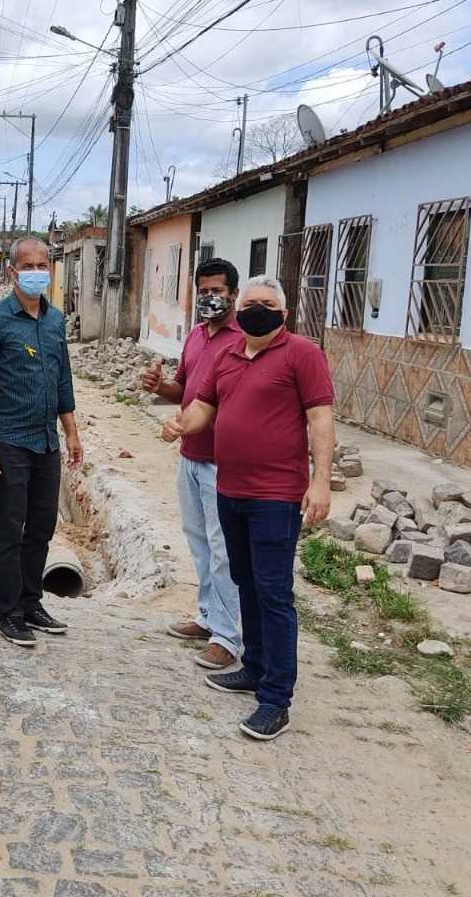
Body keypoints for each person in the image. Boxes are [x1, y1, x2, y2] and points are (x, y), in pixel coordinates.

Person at [163, 275, 335, 741]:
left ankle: (276, 699)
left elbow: (320, 418)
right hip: (230, 489)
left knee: (274, 592)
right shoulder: (228, 354)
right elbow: (204, 406)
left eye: (266, 302)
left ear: (283, 312)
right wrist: (182, 423)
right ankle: (255, 666)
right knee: (245, 582)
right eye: (250, 302)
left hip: (275, 495)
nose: (257, 308)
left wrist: (320, 482)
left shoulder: (303, 354)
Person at [0, 237, 83, 648]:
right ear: (12, 272)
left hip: (46, 443)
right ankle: (8, 612)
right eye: (28, 265)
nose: (37, 271)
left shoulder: (54, 321)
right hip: (9, 442)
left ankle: (31, 602)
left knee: (42, 529)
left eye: (43, 264)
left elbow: (62, 377)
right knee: (9, 530)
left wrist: (70, 430)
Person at [141, 257, 243, 673]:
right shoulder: (197, 335)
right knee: (199, 542)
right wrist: (160, 386)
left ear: (233, 293)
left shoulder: (242, 340)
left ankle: (229, 636)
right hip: (190, 456)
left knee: (224, 552)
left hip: (223, 461)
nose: (210, 298)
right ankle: (207, 617)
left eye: (218, 291)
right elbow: (183, 388)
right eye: (203, 291)